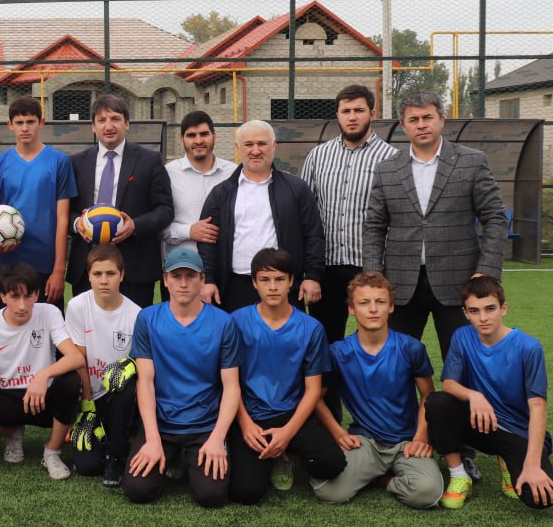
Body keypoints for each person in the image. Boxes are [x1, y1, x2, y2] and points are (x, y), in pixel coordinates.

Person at [363, 89, 508, 356]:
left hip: (460, 282)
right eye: (413, 119)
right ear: (403, 125)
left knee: (464, 362)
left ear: (442, 119)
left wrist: (486, 270)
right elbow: (374, 226)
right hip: (400, 285)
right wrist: (373, 276)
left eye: (427, 117)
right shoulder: (387, 169)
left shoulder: (472, 162)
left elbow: (495, 217)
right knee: (395, 362)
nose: (421, 125)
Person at [311, 271, 443, 509]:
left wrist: (421, 436)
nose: (373, 309)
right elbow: (315, 398)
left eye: (380, 302)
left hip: (406, 443)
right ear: (352, 309)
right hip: (366, 442)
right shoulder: (338, 353)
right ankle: (374, 473)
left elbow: (428, 395)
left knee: (427, 493)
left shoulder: (411, 348)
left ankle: (383, 480)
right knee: (328, 490)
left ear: (391, 307)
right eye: (364, 303)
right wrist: (338, 433)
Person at [122, 248, 240, 509]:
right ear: (165, 280)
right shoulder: (148, 319)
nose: (183, 283)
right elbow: (145, 382)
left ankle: (190, 458)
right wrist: (152, 438)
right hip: (162, 424)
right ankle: (171, 455)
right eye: (176, 276)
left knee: (211, 496)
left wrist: (217, 438)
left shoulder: (223, 323)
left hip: (205, 424)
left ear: (202, 279)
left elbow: (231, 387)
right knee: (137, 490)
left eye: (191, 276)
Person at [227, 248, 345, 505]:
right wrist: (245, 425)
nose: (273, 287)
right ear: (254, 283)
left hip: (292, 413)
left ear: (291, 281)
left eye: (280, 279)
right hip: (251, 415)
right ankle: (256, 453)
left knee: (332, 464)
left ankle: (287, 455)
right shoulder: (235, 322)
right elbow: (229, 383)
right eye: (265, 280)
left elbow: (313, 389)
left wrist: (287, 433)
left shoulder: (310, 327)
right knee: (245, 492)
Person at [425, 276, 553, 510]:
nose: (483, 318)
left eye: (490, 309)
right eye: (474, 311)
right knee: (437, 403)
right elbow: (449, 384)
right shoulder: (462, 336)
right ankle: (459, 475)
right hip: (479, 422)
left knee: (539, 498)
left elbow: (538, 407)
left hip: (515, 429)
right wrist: (475, 395)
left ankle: (508, 461)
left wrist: (533, 465)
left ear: (504, 308)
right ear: (465, 313)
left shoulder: (529, 347)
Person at [299, 85, 399, 344]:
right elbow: (305, 213)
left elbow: (397, 216)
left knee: (376, 339)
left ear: (372, 114)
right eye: (346, 111)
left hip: (372, 265)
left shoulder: (392, 158)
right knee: (325, 339)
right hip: (327, 265)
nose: (352, 117)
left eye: (359, 110)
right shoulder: (318, 156)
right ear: (337, 115)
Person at [0, 264, 85, 480]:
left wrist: (43, 375)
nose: (22, 305)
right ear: (3, 296)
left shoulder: (49, 313)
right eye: (14, 296)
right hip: (9, 397)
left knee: (70, 382)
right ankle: (13, 430)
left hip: (44, 397)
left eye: (28, 296)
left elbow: (76, 357)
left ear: (37, 294)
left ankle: (52, 451)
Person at [198, 120, 324, 313]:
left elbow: (313, 234)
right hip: (235, 288)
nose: (255, 151)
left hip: (284, 288)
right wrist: (208, 279)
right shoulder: (221, 193)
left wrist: (313, 275)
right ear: (238, 148)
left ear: (273, 146)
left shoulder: (296, 189)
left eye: (262, 144)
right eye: (249, 144)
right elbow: (207, 241)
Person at [68, 93, 173, 309]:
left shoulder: (150, 160)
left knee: (133, 327)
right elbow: (65, 210)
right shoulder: (76, 162)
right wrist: (77, 223)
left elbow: (165, 209)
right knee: (87, 327)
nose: (109, 126)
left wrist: (135, 225)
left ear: (126, 123)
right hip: (87, 266)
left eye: (115, 119)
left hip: (135, 265)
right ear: (93, 126)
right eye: (101, 120)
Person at [0, 97, 77, 311]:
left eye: (30, 121)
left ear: (41, 123)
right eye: (19, 122)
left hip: (44, 263)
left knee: (47, 328)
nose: (25, 128)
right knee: (6, 327)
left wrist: (59, 269)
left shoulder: (59, 162)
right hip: (6, 264)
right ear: (10, 125)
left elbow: (62, 220)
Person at [63, 245, 141, 487]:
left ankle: (116, 455)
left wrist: (132, 365)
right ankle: (100, 436)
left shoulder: (136, 314)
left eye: (110, 273)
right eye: (97, 274)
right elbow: (79, 360)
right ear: (88, 275)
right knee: (87, 467)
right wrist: (87, 407)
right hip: (92, 394)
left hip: (120, 397)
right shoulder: (78, 306)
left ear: (122, 275)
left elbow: (140, 365)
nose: (104, 280)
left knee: (123, 381)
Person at [161, 111, 236, 301]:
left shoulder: (233, 173)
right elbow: (157, 226)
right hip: (181, 272)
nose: (198, 140)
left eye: (204, 134)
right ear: (182, 140)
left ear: (214, 137)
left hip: (226, 272)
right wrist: (189, 231)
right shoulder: (167, 174)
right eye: (191, 135)